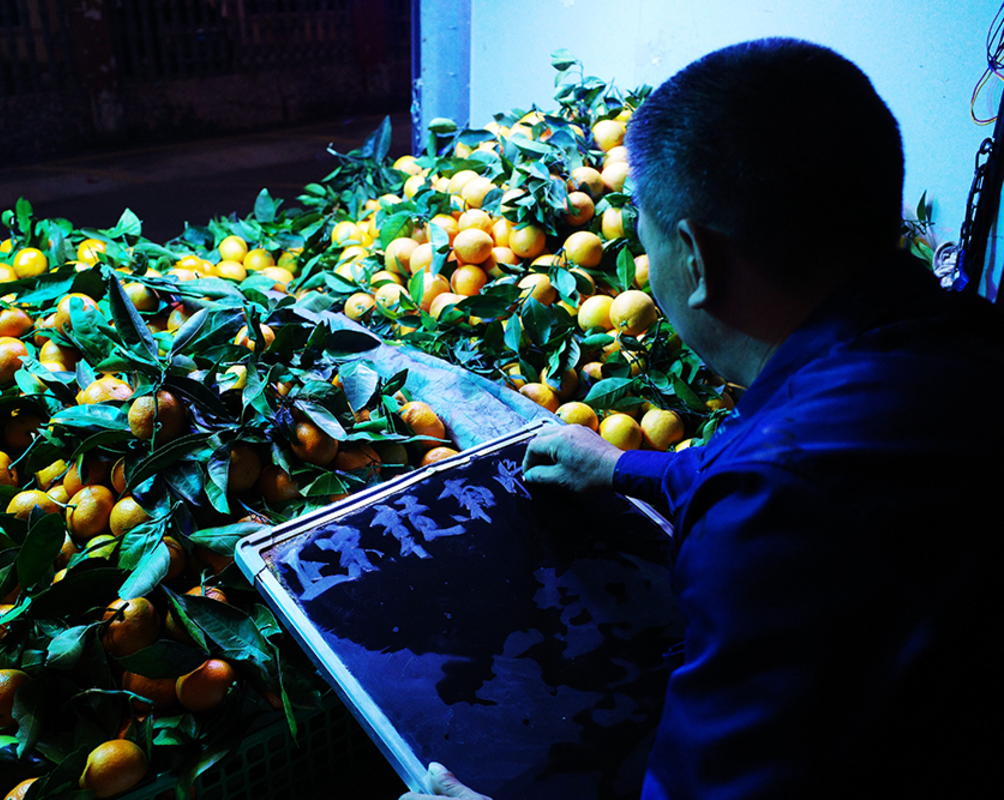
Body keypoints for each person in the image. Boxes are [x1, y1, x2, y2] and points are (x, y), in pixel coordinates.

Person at [401, 37, 1001, 800]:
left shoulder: (772, 509)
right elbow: (816, 466)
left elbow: (789, 488)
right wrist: (625, 467)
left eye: (645, 242)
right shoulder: (965, 338)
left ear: (694, 257)